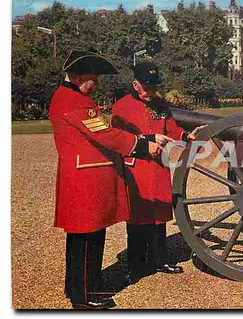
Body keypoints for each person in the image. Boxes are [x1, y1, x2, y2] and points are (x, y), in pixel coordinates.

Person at [49, 50, 161, 309]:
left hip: (84, 174)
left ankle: (80, 287)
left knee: (83, 239)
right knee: (88, 238)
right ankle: (85, 297)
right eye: (93, 79)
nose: (96, 83)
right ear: (77, 77)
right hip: (86, 178)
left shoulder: (69, 97)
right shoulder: (75, 101)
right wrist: (142, 146)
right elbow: (107, 135)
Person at [111, 61, 205, 285]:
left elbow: (171, 128)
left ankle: (159, 260)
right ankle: (136, 265)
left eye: (154, 87)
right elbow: (117, 136)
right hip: (137, 166)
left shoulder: (159, 104)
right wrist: (148, 139)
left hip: (159, 165)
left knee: (160, 214)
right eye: (147, 87)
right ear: (135, 84)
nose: (151, 91)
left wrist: (186, 136)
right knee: (138, 217)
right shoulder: (121, 107)